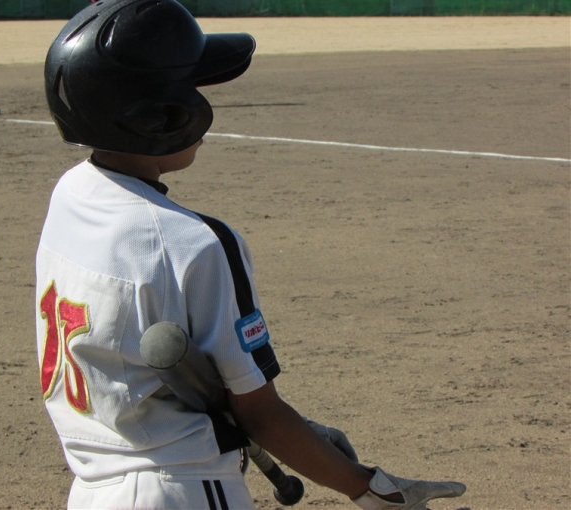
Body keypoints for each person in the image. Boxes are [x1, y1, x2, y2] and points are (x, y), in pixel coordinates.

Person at [35, 1, 467, 508]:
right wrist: (370, 488)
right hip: (184, 489)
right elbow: (260, 415)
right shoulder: (194, 242)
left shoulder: (70, 197)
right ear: (160, 115)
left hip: (93, 490)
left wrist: (297, 430)